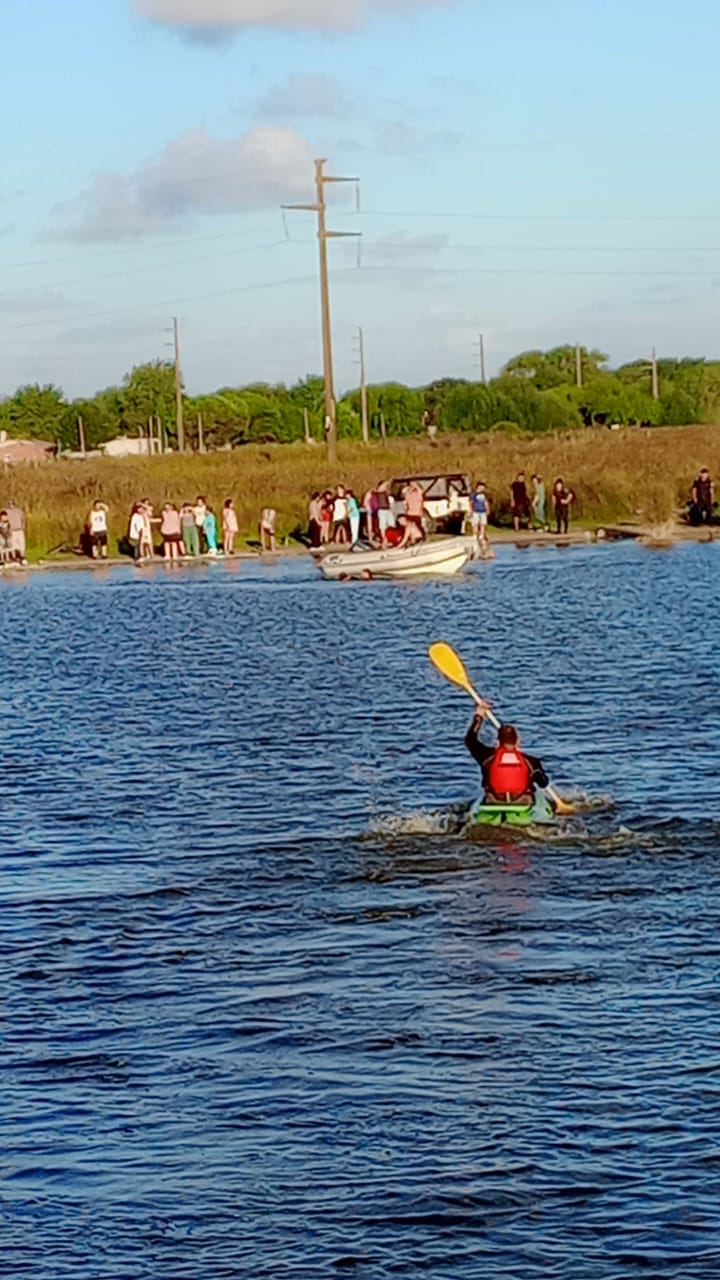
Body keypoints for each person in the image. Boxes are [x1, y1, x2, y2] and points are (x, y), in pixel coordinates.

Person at [465, 703, 550, 808]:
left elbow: (470, 740)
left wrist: (479, 716)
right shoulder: (531, 762)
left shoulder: (487, 757)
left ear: (498, 742)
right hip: (522, 802)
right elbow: (543, 783)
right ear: (517, 742)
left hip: (493, 801)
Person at [470, 481, 491, 552]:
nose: (483, 489)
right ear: (478, 487)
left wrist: (487, 509)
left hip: (483, 511)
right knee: (475, 523)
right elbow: (471, 502)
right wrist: (471, 510)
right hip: (476, 511)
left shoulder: (484, 495)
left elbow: (486, 502)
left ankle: (481, 534)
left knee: (483, 523)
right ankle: (475, 534)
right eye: (482, 487)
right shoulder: (473, 494)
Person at [375, 480, 394, 547]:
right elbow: (379, 488)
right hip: (382, 510)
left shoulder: (386, 492)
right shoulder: (378, 491)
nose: (386, 487)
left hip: (388, 510)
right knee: (383, 526)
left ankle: (390, 538)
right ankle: (384, 539)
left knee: (391, 524)